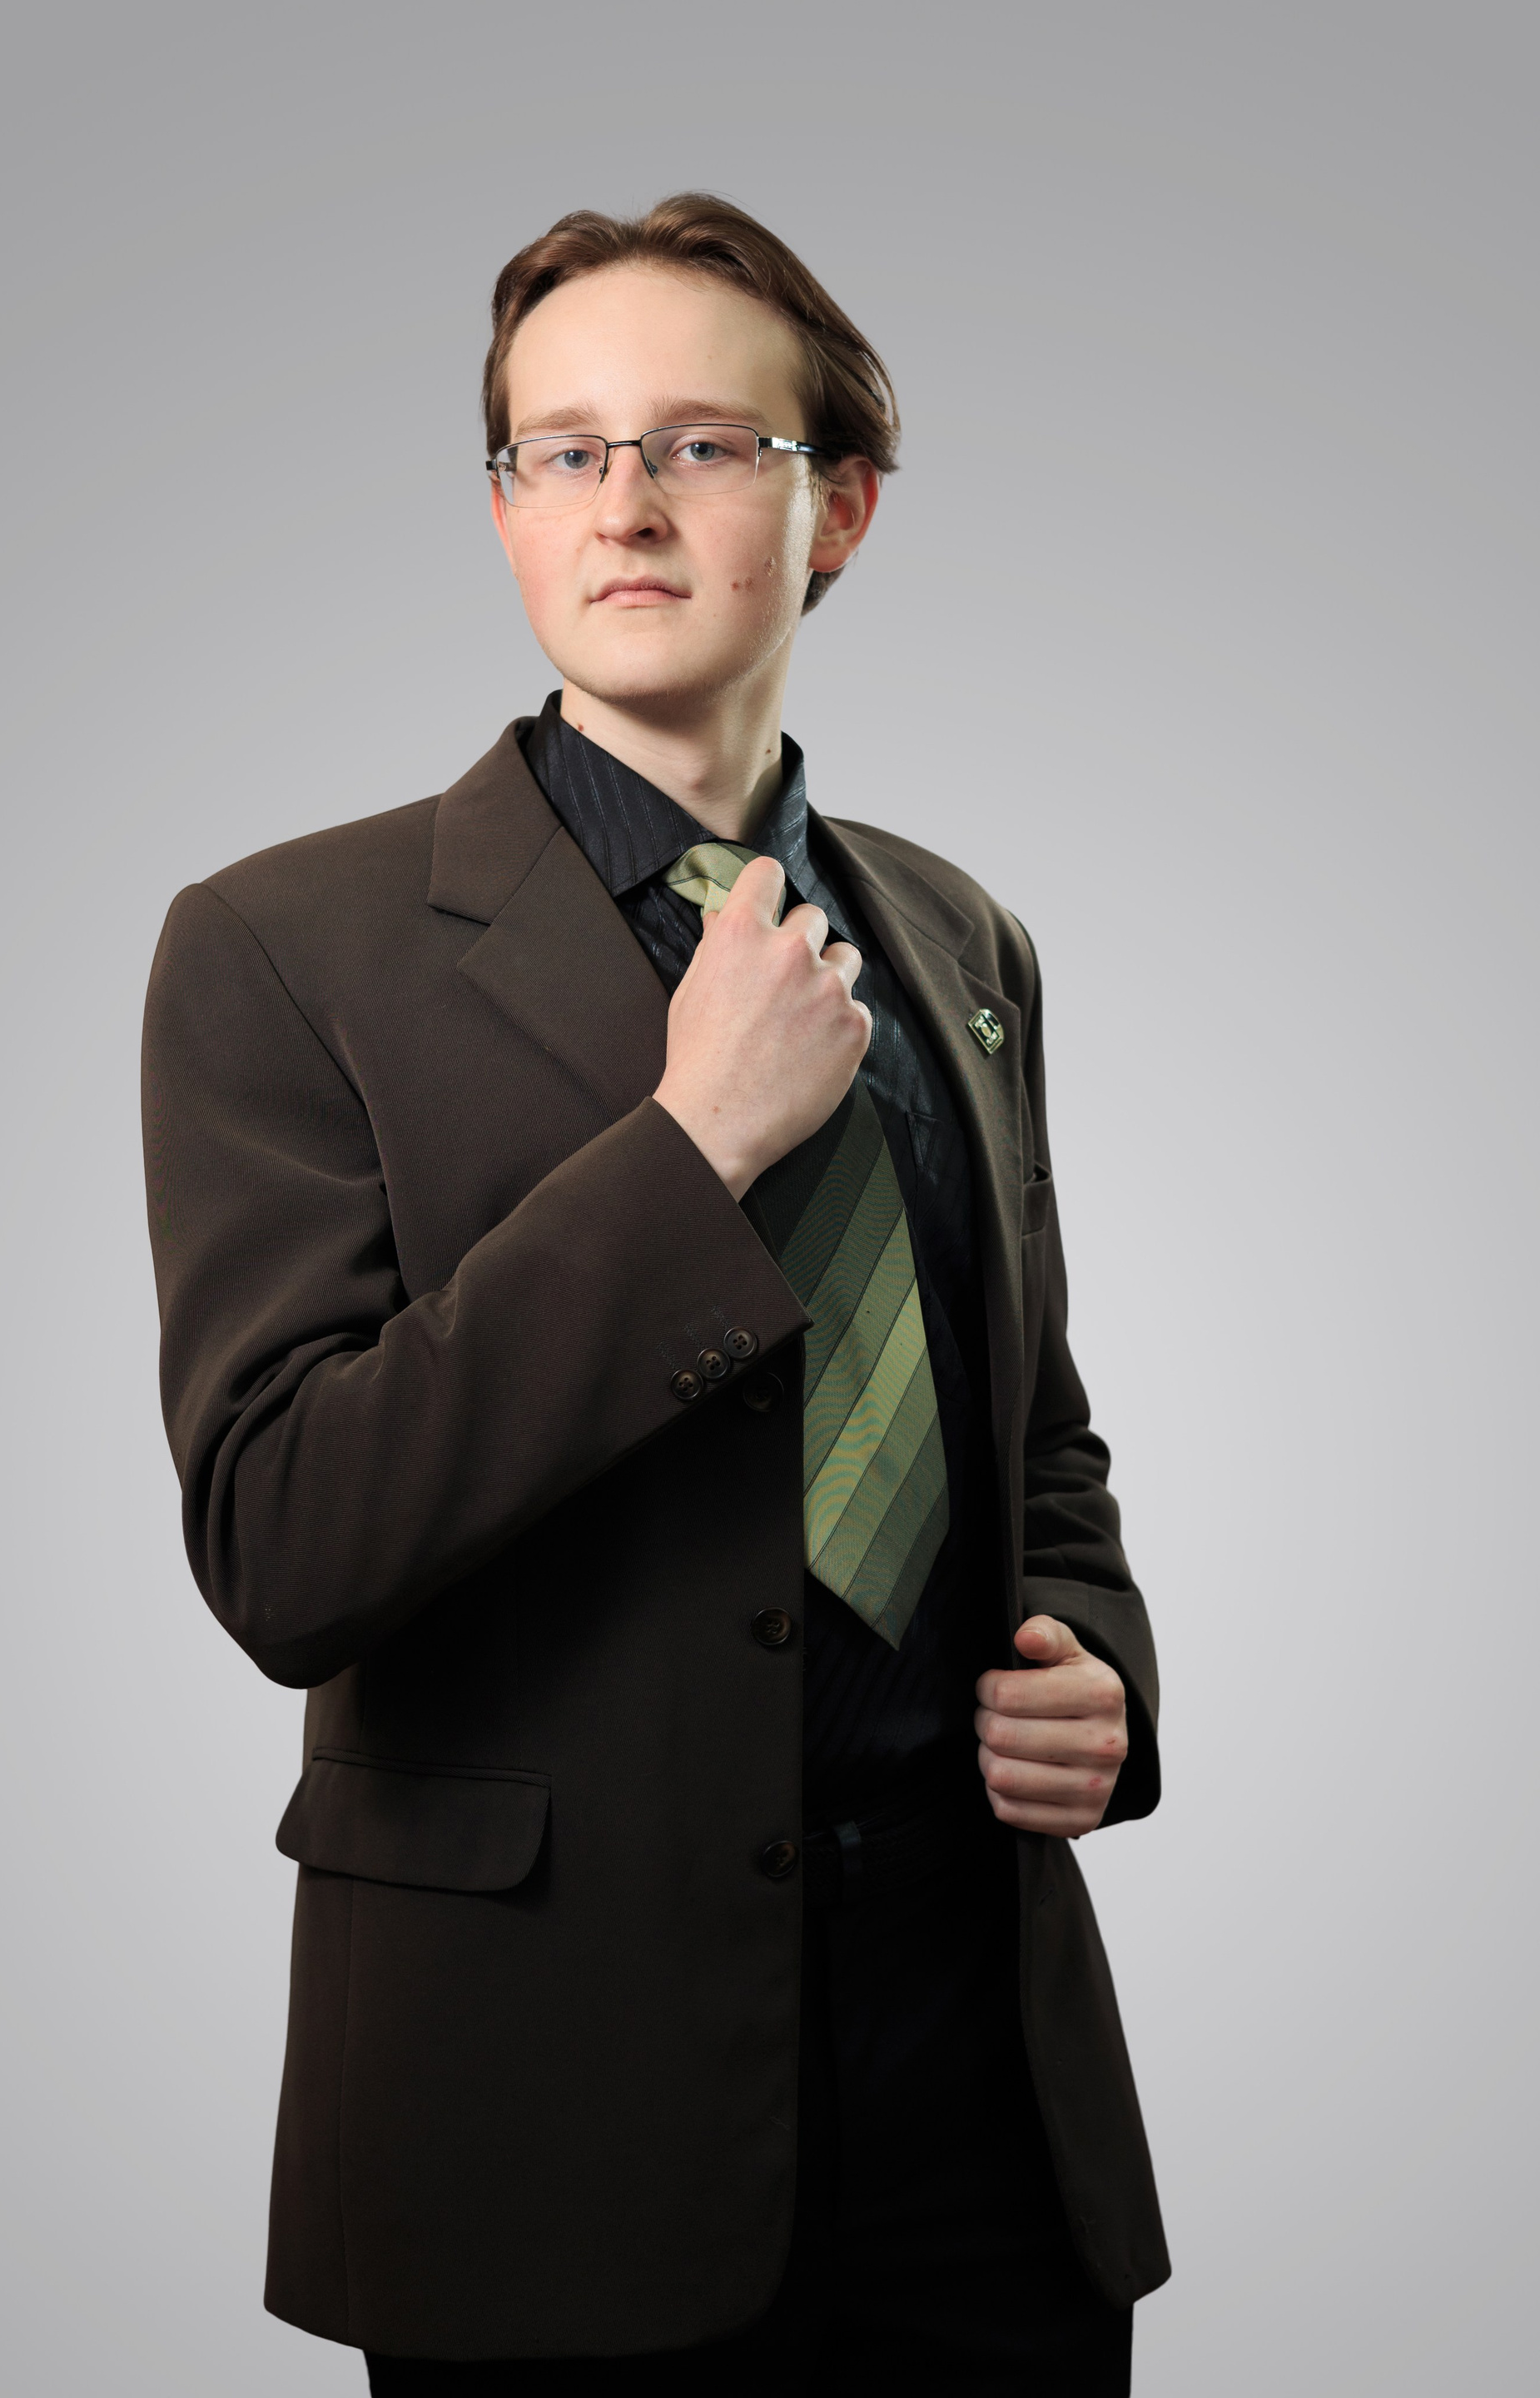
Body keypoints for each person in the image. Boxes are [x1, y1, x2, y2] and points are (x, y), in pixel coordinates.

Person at [142, 194, 1168, 2394]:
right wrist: (690, 1151)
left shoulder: (959, 941)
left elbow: (1035, 1433)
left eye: (702, 445)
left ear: (839, 509)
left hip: (980, 2080)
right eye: (563, 450)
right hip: (545, 2094)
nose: (624, 502)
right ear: (507, 509)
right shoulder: (280, 950)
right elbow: (284, 1537)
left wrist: (1102, 1665)